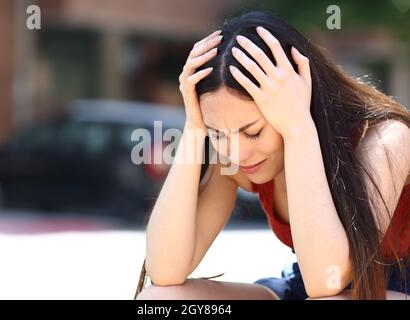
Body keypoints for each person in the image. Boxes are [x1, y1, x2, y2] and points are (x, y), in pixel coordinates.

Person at [135, 11, 410, 300]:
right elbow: (164, 270)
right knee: (160, 301)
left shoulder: (386, 140)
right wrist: (193, 127)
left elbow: (326, 279)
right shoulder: (232, 155)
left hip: (391, 285)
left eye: (253, 132)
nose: (237, 153)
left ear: (298, 102)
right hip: (307, 286)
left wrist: (299, 129)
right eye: (218, 134)